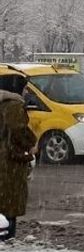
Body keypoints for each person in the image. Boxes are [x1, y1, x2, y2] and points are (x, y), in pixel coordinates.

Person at [0, 74, 37, 241]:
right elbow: (17, 130)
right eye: (24, 88)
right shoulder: (13, 105)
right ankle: (7, 241)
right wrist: (31, 143)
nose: (26, 92)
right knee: (9, 206)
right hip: (7, 163)